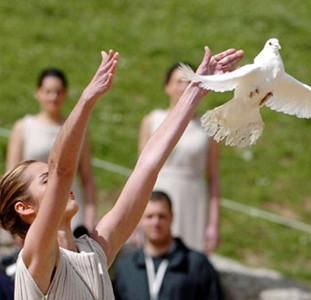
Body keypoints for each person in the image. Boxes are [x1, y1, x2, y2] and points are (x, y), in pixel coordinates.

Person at [0, 47, 243, 299]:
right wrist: (86, 101)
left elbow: (148, 165)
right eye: (45, 180)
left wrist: (195, 91)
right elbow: (62, 170)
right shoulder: (35, 256)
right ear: (25, 208)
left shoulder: (96, 251)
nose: (61, 184)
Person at [139, 63, 220, 253]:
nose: (183, 87)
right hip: (157, 194)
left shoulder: (208, 127)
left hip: (193, 199)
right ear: (167, 86)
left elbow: (214, 177)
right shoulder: (152, 120)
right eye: (178, 82)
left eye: (188, 82)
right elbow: (140, 171)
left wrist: (213, 223)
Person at [6, 68, 96, 234]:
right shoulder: (24, 127)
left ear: (65, 94)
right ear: (38, 93)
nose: (53, 97)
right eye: (48, 92)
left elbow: (87, 177)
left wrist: (90, 217)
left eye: (58, 92)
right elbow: (12, 176)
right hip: (35, 210)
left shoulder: (76, 129)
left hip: (71, 208)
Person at [113, 191, 224, 300]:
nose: (156, 222)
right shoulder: (125, 268)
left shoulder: (197, 264)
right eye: (149, 216)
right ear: (140, 220)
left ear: (172, 217)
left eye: (161, 216)